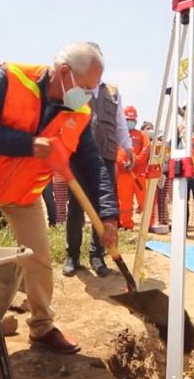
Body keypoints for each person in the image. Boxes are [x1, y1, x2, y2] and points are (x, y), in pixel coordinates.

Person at [0, 43, 118, 353]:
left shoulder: (79, 112)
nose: (88, 96)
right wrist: (31, 145)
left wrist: (108, 214)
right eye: (86, 87)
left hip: (23, 192)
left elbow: (93, 165)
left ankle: (41, 328)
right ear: (64, 73)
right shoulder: (10, 78)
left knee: (39, 258)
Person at [64, 42, 133, 277]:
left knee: (103, 206)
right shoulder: (74, 90)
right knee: (75, 207)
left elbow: (121, 122)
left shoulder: (112, 91)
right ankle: (72, 256)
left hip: (107, 155)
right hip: (79, 156)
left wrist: (128, 147)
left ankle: (97, 256)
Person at [116, 105, 151, 230]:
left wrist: (134, 162)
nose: (129, 122)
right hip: (123, 173)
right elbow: (114, 151)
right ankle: (126, 225)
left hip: (139, 173)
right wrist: (122, 162)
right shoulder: (117, 135)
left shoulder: (142, 135)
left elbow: (146, 150)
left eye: (132, 120)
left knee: (144, 199)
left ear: (136, 121)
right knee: (124, 202)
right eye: (127, 120)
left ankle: (149, 224)